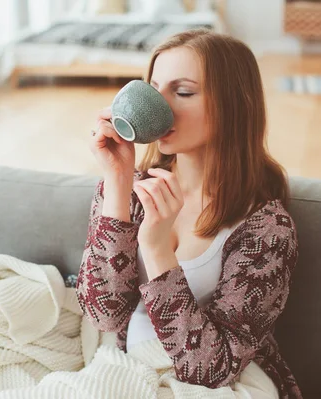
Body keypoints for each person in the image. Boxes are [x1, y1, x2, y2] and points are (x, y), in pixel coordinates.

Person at [76, 29, 302, 399]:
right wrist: (117, 186)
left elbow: (215, 368)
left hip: (219, 386)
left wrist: (157, 248)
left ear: (234, 104)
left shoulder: (266, 228)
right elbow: (104, 316)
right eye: (153, 89)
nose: (160, 107)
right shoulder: (129, 189)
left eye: (182, 92)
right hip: (127, 372)